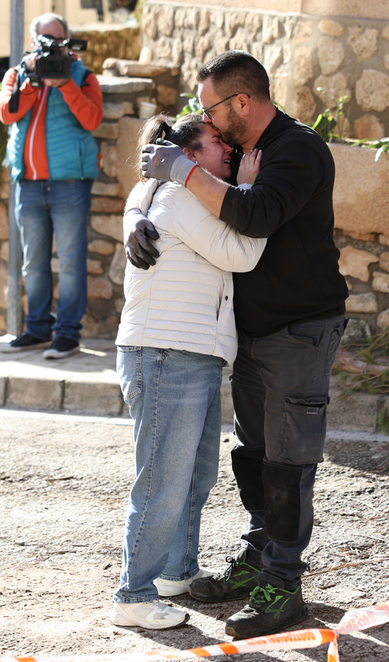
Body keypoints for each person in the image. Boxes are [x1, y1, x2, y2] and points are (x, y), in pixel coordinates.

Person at [129, 50, 350, 639]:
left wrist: (186, 173)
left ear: (241, 104)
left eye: (210, 109)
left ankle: (283, 583)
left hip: (299, 329)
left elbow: (253, 219)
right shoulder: (236, 157)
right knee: (255, 455)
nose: (206, 120)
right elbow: (178, 207)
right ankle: (258, 561)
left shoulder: (297, 150)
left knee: (288, 460)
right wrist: (139, 215)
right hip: (252, 333)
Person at [111, 114, 265, 630]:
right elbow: (242, 253)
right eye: (217, 143)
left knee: (194, 474)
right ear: (190, 157)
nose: (229, 150)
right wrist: (246, 190)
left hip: (187, 353)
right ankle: (133, 596)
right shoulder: (180, 198)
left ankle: (175, 572)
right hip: (165, 353)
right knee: (162, 481)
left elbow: (139, 196)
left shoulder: (167, 196)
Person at [0, 13, 103, 360]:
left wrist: (64, 85)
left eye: (58, 40)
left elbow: (92, 119)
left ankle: (67, 335)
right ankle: (37, 329)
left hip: (69, 183)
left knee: (71, 263)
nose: (52, 45)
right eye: (45, 40)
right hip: (28, 183)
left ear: (67, 41)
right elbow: (6, 114)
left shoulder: (82, 75)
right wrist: (32, 81)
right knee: (33, 263)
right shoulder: (18, 74)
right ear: (33, 41)